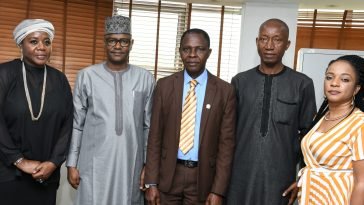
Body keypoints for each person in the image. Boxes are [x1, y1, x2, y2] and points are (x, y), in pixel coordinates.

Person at [66, 15, 155, 205]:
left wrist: (148, 165)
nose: (117, 46)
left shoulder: (145, 78)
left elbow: (149, 126)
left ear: (131, 44)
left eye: (123, 41)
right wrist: (72, 163)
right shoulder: (86, 76)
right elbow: (77, 123)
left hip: (131, 163)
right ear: (104, 43)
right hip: (94, 164)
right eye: (112, 41)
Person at [226, 18, 317, 205]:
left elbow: (310, 137)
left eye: (277, 39)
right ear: (257, 42)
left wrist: (302, 177)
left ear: (287, 45)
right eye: (264, 39)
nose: (269, 45)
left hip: (281, 179)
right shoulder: (240, 82)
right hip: (239, 177)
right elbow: (227, 134)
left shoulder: (302, 84)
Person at [144, 28, 236, 205]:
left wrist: (218, 191)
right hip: (167, 178)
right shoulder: (164, 86)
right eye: (187, 49)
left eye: (199, 49)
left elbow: (226, 145)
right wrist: (151, 182)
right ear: (180, 52)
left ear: (208, 53)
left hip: (203, 180)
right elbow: (154, 137)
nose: (192, 54)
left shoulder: (225, 92)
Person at [0, 19, 73, 205]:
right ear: (21, 44)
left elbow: (68, 124)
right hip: (8, 173)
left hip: (46, 175)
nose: (42, 47)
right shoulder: (5, 73)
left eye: (46, 42)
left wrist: (53, 162)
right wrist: (19, 160)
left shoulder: (59, 80)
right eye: (33, 41)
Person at [297, 55, 364, 205]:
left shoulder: (360, 123)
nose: (334, 83)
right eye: (329, 77)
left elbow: (362, 183)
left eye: (345, 79)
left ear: (356, 89)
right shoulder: (320, 118)